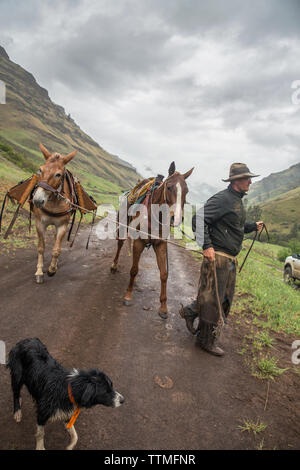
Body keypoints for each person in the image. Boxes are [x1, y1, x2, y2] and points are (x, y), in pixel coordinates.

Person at [179, 163, 264, 357]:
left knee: (223, 299)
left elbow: (232, 227)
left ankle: (191, 312)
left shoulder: (236, 201)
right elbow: (198, 219)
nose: (250, 181)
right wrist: (207, 245)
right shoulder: (223, 199)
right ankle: (205, 341)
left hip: (230, 260)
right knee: (212, 300)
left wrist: (251, 226)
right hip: (218, 259)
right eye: (247, 178)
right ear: (236, 181)